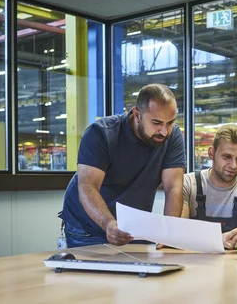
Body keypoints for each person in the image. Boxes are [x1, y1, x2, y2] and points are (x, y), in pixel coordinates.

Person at [59, 83, 186, 248]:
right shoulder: (101, 133)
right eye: (156, 122)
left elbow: (174, 187)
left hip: (134, 227)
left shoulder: (172, 136)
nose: (164, 131)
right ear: (137, 114)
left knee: (145, 270)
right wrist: (109, 224)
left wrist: (170, 234)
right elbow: (88, 187)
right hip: (88, 227)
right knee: (94, 273)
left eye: (170, 123)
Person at [182, 124, 237, 250]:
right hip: (194, 262)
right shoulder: (188, 184)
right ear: (211, 153)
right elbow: (177, 232)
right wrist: (216, 240)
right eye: (227, 157)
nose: (233, 165)